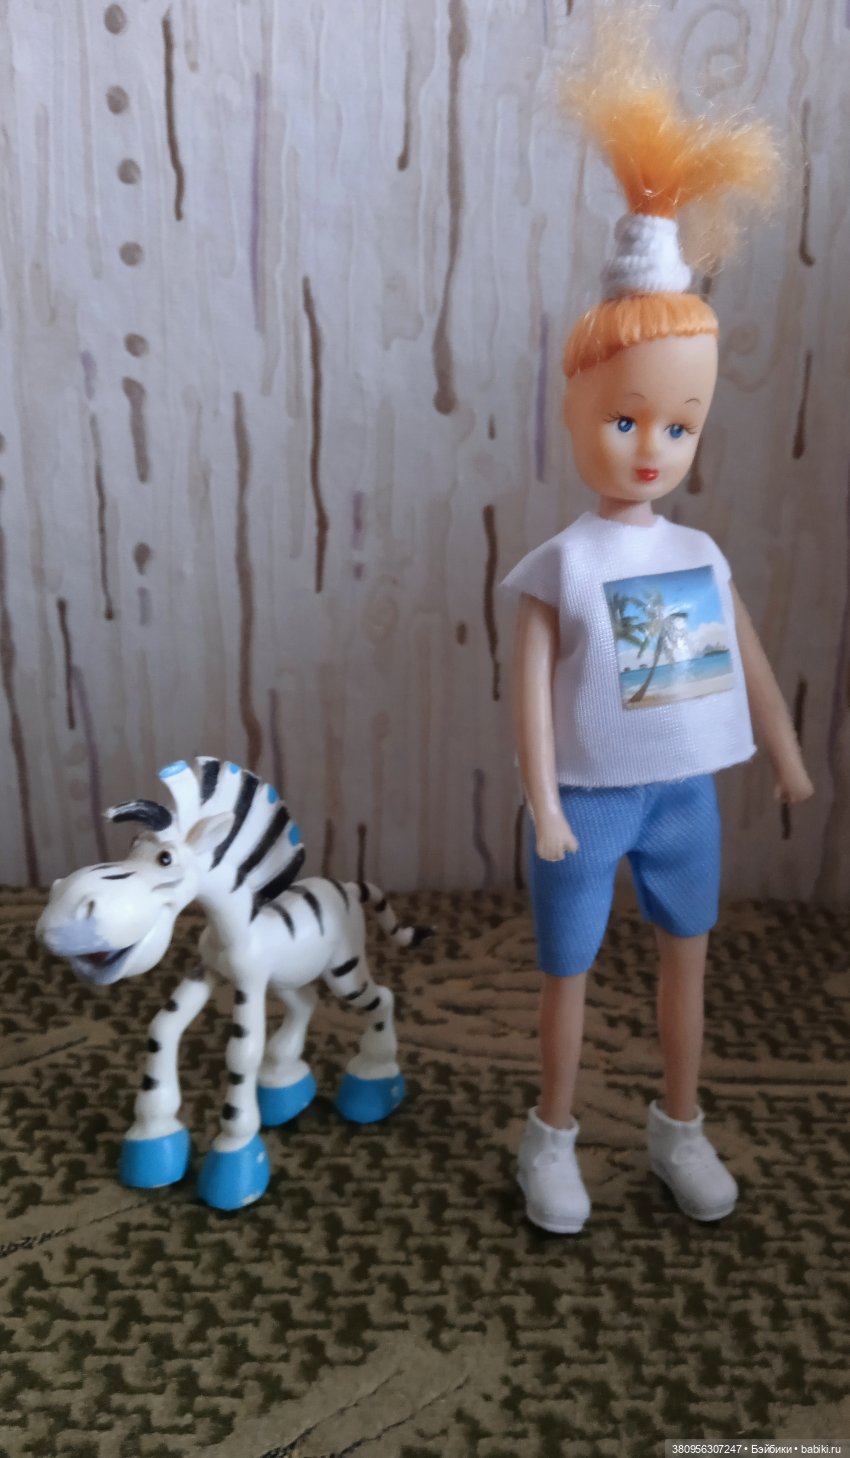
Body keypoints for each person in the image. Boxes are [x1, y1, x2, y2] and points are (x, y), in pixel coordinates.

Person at [501, 11, 814, 1234]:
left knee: (690, 954)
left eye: (678, 426)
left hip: (684, 795)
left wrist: (782, 754)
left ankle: (677, 1123)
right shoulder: (562, 564)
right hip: (586, 803)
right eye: (626, 419)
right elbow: (529, 696)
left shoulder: (697, 554)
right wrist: (540, 804)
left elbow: (748, 661)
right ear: (576, 408)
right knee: (566, 972)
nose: (651, 447)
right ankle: (551, 1134)